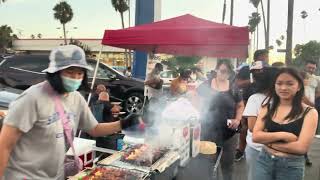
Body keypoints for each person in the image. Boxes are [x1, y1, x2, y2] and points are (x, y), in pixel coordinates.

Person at [0, 45, 141, 179]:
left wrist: (124, 123)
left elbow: (94, 129)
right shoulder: (31, 99)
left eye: (80, 73)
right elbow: (4, 145)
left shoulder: (76, 98)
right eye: (69, 71)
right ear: (54, 72)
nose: (75, 77)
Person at [252, 68, 318, 180]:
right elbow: (256, 136)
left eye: (289, 84)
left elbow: (301, 148)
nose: (283, 88)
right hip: (264, 161)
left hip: (291, 166)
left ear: (299, 86)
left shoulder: (310, 112)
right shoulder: (267, 107)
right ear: (274, 85)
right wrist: (284, 135)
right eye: (279, 83)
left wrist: (269, 143)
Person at [203, 60, 244, 180]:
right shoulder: (206, 85)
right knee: (209, 164)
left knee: (228, 166)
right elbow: (196, 101)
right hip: (208, 132)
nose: (224, 74)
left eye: (228, 72)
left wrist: (237, 119)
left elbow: (240, 105)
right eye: (222, 71)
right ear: (216, 70)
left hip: (229, 133)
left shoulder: (233, 87)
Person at [242, 67, 278, 180]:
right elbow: (252, 127)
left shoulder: (282, 100)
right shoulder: (256, 99)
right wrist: (281, 133)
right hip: (257, 149)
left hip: (279, 149)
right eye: (279, 82)